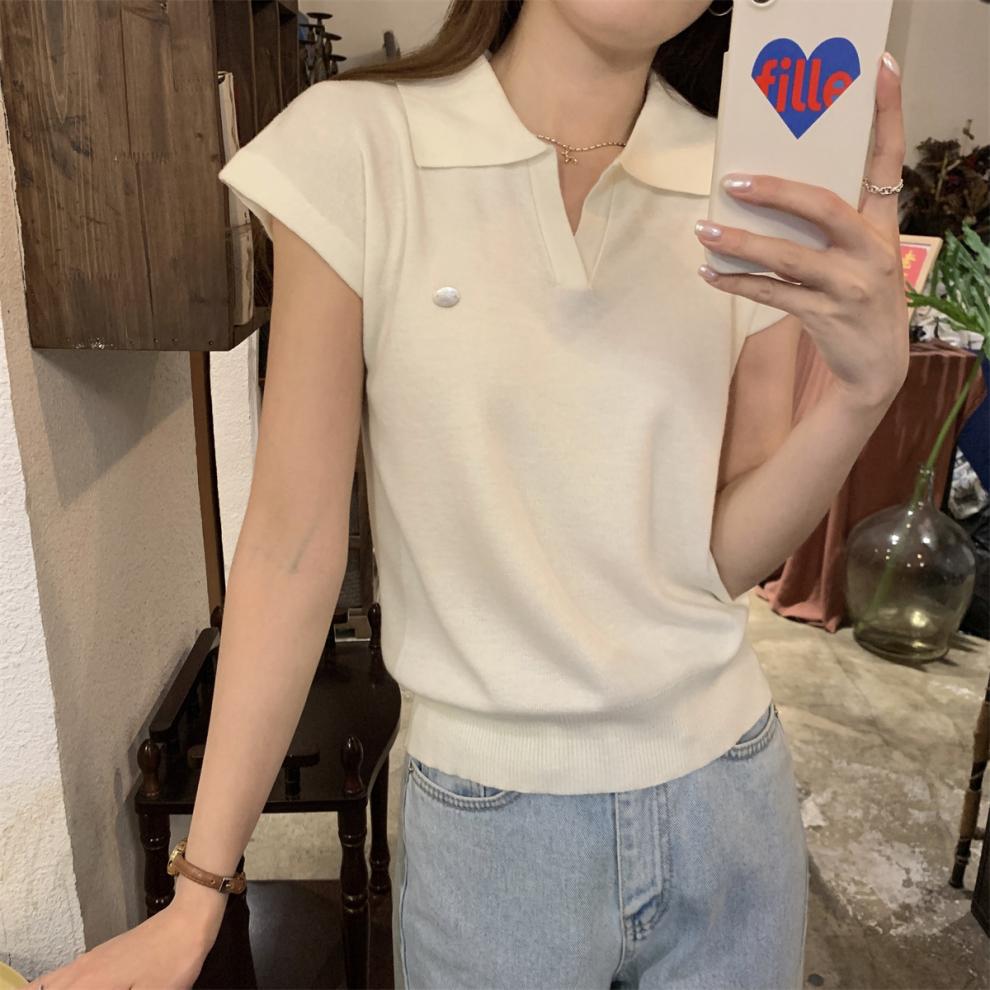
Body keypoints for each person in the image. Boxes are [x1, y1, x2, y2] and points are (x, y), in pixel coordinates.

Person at [25, 1, 908, 988]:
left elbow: (725, 559)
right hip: (492, 832)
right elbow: (291, 546)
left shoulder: (744, 188)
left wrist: (862, 396)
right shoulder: (362, 145)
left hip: (729, 804)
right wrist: (200, 891)